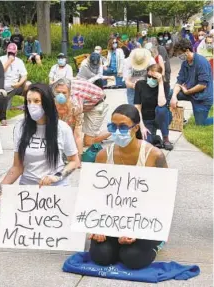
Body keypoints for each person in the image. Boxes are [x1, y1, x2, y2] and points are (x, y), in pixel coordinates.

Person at [89, 104, 167, 270]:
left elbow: (164, 197)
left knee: (133, 258)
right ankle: (117, 244)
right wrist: (97, 227)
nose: (117, 131)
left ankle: (147, 245)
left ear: (136, 128)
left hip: (145, 220)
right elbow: (95, 194)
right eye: (113, 126)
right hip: (112, 219)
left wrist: (137, 232)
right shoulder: (103, 155)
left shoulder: (154, 155)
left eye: (123, 127)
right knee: (100, 256)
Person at [0, 83, 80, 189]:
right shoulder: (20, 127)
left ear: (46, 103)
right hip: (28, 189)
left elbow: (74, 161)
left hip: (56, 188)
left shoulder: (62, 128)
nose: (32, 105)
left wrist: (56, 177)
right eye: (29, 101)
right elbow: (17, 167)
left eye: (36, 101)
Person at [52, 78, 110, 154]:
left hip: (97, 103)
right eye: (58, 92)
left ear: (69, 93)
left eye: (64, 93)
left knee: (88, 142)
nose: (60, 95)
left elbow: (75, 131)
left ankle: (114, 128)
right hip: (86, 99)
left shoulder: (75, 103)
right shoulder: (54, 90)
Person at [170, 39, 213, 126]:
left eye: (179, 54)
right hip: (189, 92)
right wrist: (174, 96)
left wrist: (187, 91)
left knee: (201, 123)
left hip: (202, 97)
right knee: (168, 93)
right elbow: (179, 81)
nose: (179, 56)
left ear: (187, 51)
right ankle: (178, 119)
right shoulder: (185, 64)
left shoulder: (201, 62)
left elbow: (202, 85)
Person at [134, 64, 173, 150]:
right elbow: (137, 107)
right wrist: (142, 126)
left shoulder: (165, 85)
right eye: (149, 76)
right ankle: (156, 139)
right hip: (146, 119)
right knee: (146, 143)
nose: (151, 79)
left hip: (161, 118)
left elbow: (161, 104)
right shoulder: (140, 84)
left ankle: (165, 138)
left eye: (154, 77)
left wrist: (160, 83)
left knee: (161, 109)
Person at [0, 43, 28, 110]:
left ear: (16, 52)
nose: (11, 54)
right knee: (6, 109)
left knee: (28, 84)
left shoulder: (19, 61)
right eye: (9, 52)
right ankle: (8, 105)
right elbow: (0, 72)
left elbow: (24, 75)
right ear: (6, 51)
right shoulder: (1, 59)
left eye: (13, 53)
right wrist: (9, 61)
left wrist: (19, 83)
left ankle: (26, 104)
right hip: (2, 86)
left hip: (15, 86)